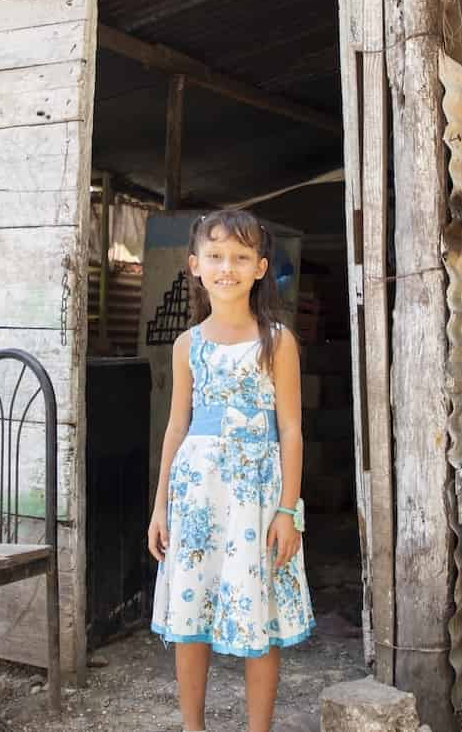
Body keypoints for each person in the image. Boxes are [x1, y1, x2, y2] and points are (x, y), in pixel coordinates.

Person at [148, 209, 314, 732]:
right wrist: (160, 507)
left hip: (257, 498)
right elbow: (176, 428)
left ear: (261, 267)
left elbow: (290, 429)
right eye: (216, 256)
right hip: (196, 497)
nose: (228, 267)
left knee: (257, 612)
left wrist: (288, 510)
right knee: (190, 614)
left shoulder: (277, 341)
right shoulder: (186, 345)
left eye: (241, 257)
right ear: (195, 266)